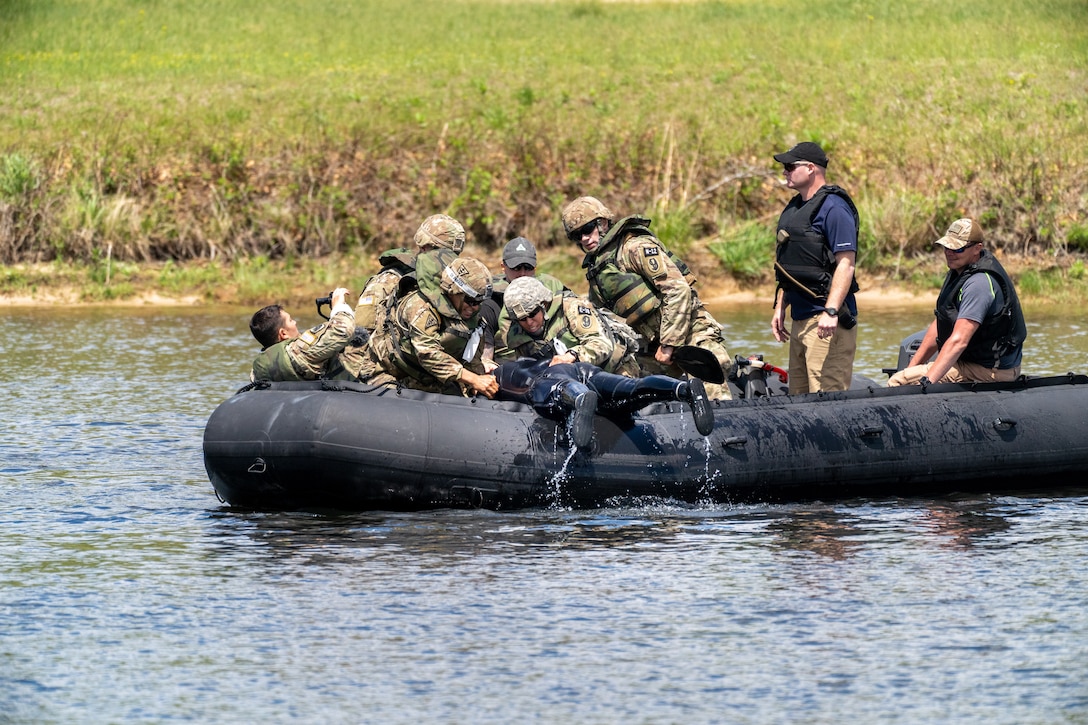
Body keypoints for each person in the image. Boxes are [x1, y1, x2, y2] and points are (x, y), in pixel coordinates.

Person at [561, 195, 733, 399]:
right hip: (650, 345)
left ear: (603, 222)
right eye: (576, 236)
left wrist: (669, 344)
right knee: (627, 383)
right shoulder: (597, 269)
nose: (584, 239)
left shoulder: (634, 248)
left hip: (690, 332)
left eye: (587, 229)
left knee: (711, 376)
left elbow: (678, 290)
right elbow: (605, 319)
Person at [888, 218, 1026, 387]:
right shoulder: (959, 271)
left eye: (957, 248)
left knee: (898, 381)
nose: (949, 252)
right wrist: (910, 369)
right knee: (907, 375)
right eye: (947, 247)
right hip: (971, 363)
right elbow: (940, 324)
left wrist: (925, 383)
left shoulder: (979, 284)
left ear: (977, 249)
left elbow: (959, 340)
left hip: (990, 371)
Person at [770, 141, 861, 395]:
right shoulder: (794, 208)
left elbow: (846, 263)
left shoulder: (834, 207)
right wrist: (780, 307)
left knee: (826, 401)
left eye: (790, 166)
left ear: (811, 168)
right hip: (800, 321)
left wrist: (831, 311)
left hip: (826, 322)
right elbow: (789, 265)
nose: (784, 172)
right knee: (798, 402)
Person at [339, 214, 466, 381]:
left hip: (420, 366)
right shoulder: (390, 279)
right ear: (425, 247)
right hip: (377, 369)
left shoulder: (448, 284)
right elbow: (360, 337)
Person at [496, 357, 715, 450]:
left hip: (551, 378)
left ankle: (580, 398)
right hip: (584, 369)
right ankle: (682, 389)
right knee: (633, 389)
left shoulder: (503, 373)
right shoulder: (537, 357)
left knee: (554, 391)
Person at [363, 255, 499, 398]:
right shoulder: (421, 307)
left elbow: (472, 356)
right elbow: (428, 354)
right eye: (471, 301)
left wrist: (476, 383)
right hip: (389, 372)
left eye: (480, 302)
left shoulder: (472, 318)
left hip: (427, 377)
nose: (475, 307)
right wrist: (474, 379)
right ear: (453, 291)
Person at [495, 276, 642, 377]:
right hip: (568, 383)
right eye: (522, 319)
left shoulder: (571, 309)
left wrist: (572, 356)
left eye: (533, 314)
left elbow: (601, 344)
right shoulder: (516, 334)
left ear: (544, 305)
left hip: (613, 371)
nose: (529, 323)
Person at [249, 287, 354, 382]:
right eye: (290, 320)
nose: (295, 322)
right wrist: (339, 306)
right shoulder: (300, 352)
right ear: (283, 333)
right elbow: (342, 330)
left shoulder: (257, 371)